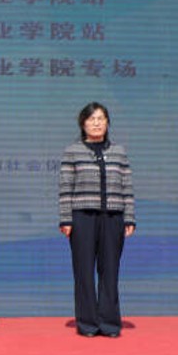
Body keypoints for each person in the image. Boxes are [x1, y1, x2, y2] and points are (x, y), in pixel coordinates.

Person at [58, 102, 135, 338]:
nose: (96, 123)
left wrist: (129, 218)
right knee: (83, 272)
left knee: (110, 271)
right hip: (82, 217)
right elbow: (65, 187)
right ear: (83, 123)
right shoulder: (72, 151)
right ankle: (88, 323)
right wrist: (66, 219)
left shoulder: (119, 152)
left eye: (101, 118)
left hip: (113, 217)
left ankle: (110, 323)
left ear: (108, 123)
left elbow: (127, 187)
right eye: (91, 119)